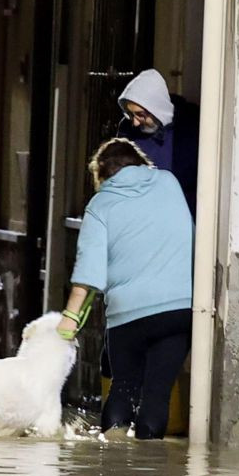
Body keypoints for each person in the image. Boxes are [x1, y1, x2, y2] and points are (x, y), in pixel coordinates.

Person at [57, 138, 193, 440]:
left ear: (102, 176)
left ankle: (115, 466)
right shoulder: (168, 183)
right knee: (158, 396)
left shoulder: (100, 205)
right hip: (178, 310)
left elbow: (90, 271)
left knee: (124, 389)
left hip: (129, 317)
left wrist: (70, 317)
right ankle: (148, 474)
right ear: (141, 163)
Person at [116, 68, 200, 217]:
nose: (135, 122)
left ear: (156, 107)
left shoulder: (190, 126)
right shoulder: (127, 130)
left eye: (140, 115)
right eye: (130, 114)